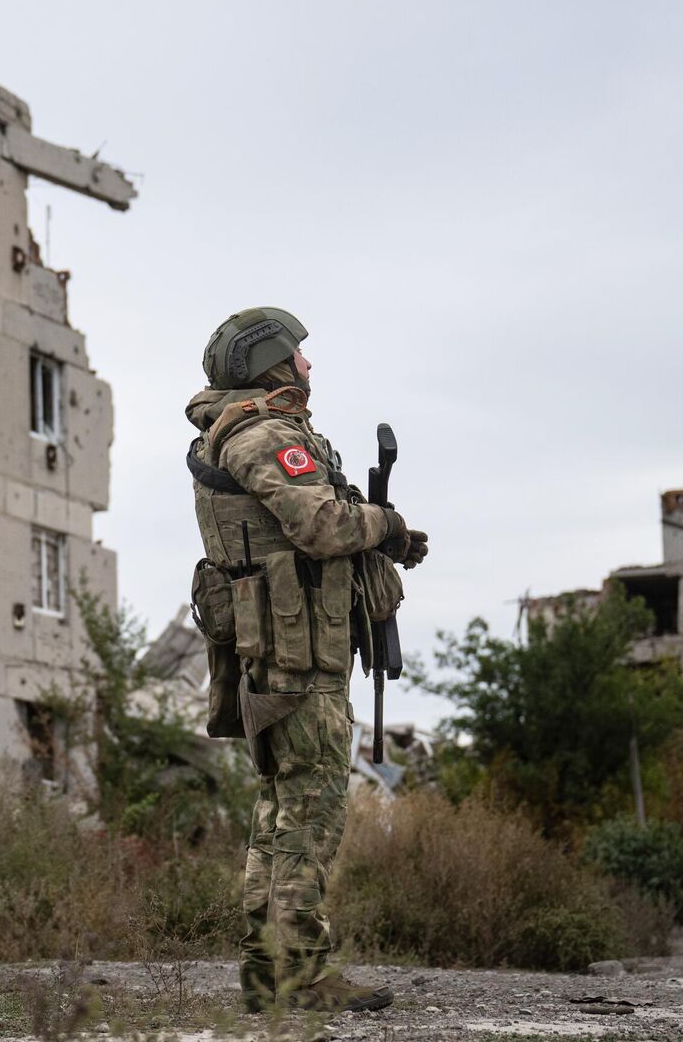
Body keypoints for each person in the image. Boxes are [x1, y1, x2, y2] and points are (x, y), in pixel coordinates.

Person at [185, 307, 428, 1014]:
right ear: (269, 364)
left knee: (280, 814)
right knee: (310, 817)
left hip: (284, 653)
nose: (308, 368)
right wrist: (384, 524)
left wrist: (382, 541)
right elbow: (320, 525)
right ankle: (305, 975)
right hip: (297, 658)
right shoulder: (264, 435)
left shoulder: (250, 432)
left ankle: (268, 974)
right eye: (299, 357)